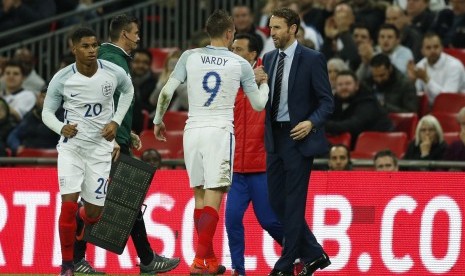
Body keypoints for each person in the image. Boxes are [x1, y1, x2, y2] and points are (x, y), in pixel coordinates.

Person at [152, 9, 269, 275]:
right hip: (219, 131)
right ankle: (197, 260)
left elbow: (166, 91)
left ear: (208, 31)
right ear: (230, 33)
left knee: (200, 197)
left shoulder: (188, 56)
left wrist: (158, 120)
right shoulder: (239, 63)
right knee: (214, 198)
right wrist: (266, 84)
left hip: (191, 130)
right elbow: (259, 105)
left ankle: (210, 261)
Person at [72, 14, 180, 275]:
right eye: (136, 33)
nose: (139, 38)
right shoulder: (111, 59)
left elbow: (114, 101)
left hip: (113, 139)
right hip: (106, 143)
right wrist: (109, 138)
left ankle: (146, 258)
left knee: (124, 198)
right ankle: (75, 262)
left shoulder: (113, 58)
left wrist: (125, 130)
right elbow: (97, 99)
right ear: (125, 35)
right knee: (101, 201)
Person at [41, 27, 134, 276]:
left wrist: (115, 121)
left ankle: (84, 220)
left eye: (94, 45)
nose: (92, 50)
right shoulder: (62, 78)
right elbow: (47, 112)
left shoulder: (112, 71)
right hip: (72, 149)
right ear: (74, 49)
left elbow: (128, 91)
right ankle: (67, 265)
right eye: (85, 46)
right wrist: (61, 127)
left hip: (100, 150)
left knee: (93, 214)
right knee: (68, 205)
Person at [262, 7, 333, 276]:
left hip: (298, 138)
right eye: (271, 27)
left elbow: (327, 102)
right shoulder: (267, 59)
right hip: (274, 137)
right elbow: (263, 101)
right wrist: (257, 85)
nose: (272, 33)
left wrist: (311, 122)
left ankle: (287, 263)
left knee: (293, 203)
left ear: (293, 29)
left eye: (277, 27)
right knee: (276, 201)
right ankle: (314, 254)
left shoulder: (313, 59)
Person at [226, 33, 283, 276]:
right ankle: (239, 270)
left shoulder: (265, 78)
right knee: (232, 221)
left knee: (270, 222)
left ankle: (298, 254)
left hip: (261, 167)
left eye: (239, 49)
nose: (233, 53)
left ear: (252, 55)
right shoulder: (226, 80)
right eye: (232, 48)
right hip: (236, 169)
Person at [326, 70, 393, 146]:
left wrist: (325, 125)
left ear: (357, 85)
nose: (344, 87)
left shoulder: (368, 101)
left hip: (378, 143)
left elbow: (354, 126)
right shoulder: (335, 100)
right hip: (352, 143)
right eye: (340, 85)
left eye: (348, 84)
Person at [407, 32, 465, 105]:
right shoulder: (420, 66)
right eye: (428, 48)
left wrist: (427, 79)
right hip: (430, 108)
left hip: (456, 108)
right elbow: (416, 95)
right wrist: (412, 82)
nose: (433, 51)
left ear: (441, 48)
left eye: (436, 47)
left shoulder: (454, 66)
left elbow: (447, 99)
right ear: (422, 51)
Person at [6, 86, 61, 155]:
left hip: (50, 159)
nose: (45, 101)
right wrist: (16, 146)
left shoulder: (62, 118)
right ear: (37, 98)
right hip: (27, 156)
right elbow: (14, 135)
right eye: (43, 97)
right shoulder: (31, 116)